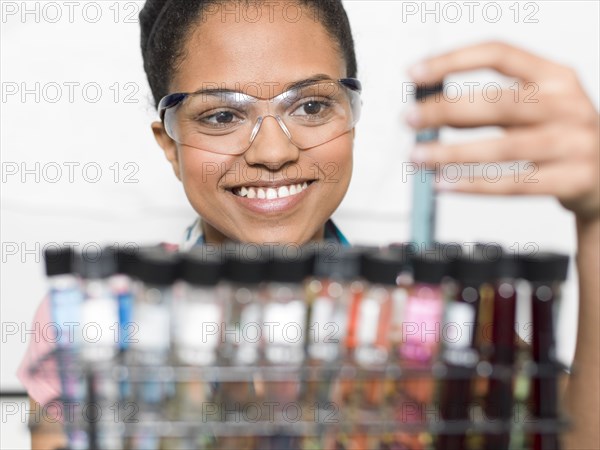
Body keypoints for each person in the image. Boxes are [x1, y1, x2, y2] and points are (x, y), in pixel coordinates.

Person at [20, 1, 599, 449]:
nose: (273, 151)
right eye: (222, 115)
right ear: (170, 146)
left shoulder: (441, 312)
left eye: (312, 106)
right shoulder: (99, 313)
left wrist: (596, 222)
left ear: (352, 117)